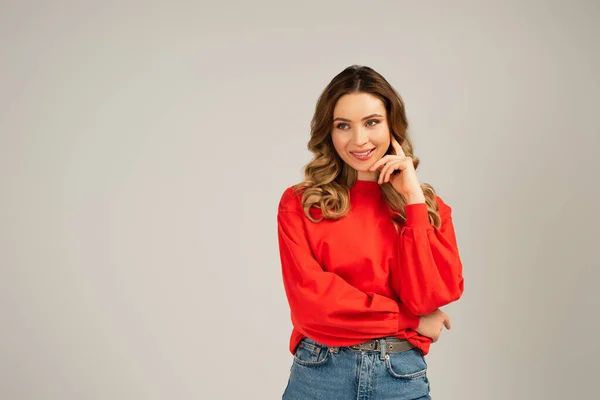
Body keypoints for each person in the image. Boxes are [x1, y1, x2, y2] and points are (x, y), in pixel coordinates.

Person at [276, 65, 465, 399]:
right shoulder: (301, 204)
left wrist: (413, 200)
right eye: (343, 126)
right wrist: (411, 321)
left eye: (372, 122)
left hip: (400, 376)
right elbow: (315, 305)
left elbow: (431, 297)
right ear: (329, 132)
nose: (359, 140)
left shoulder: (428, 208)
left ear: (392, 124)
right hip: (320, 375)